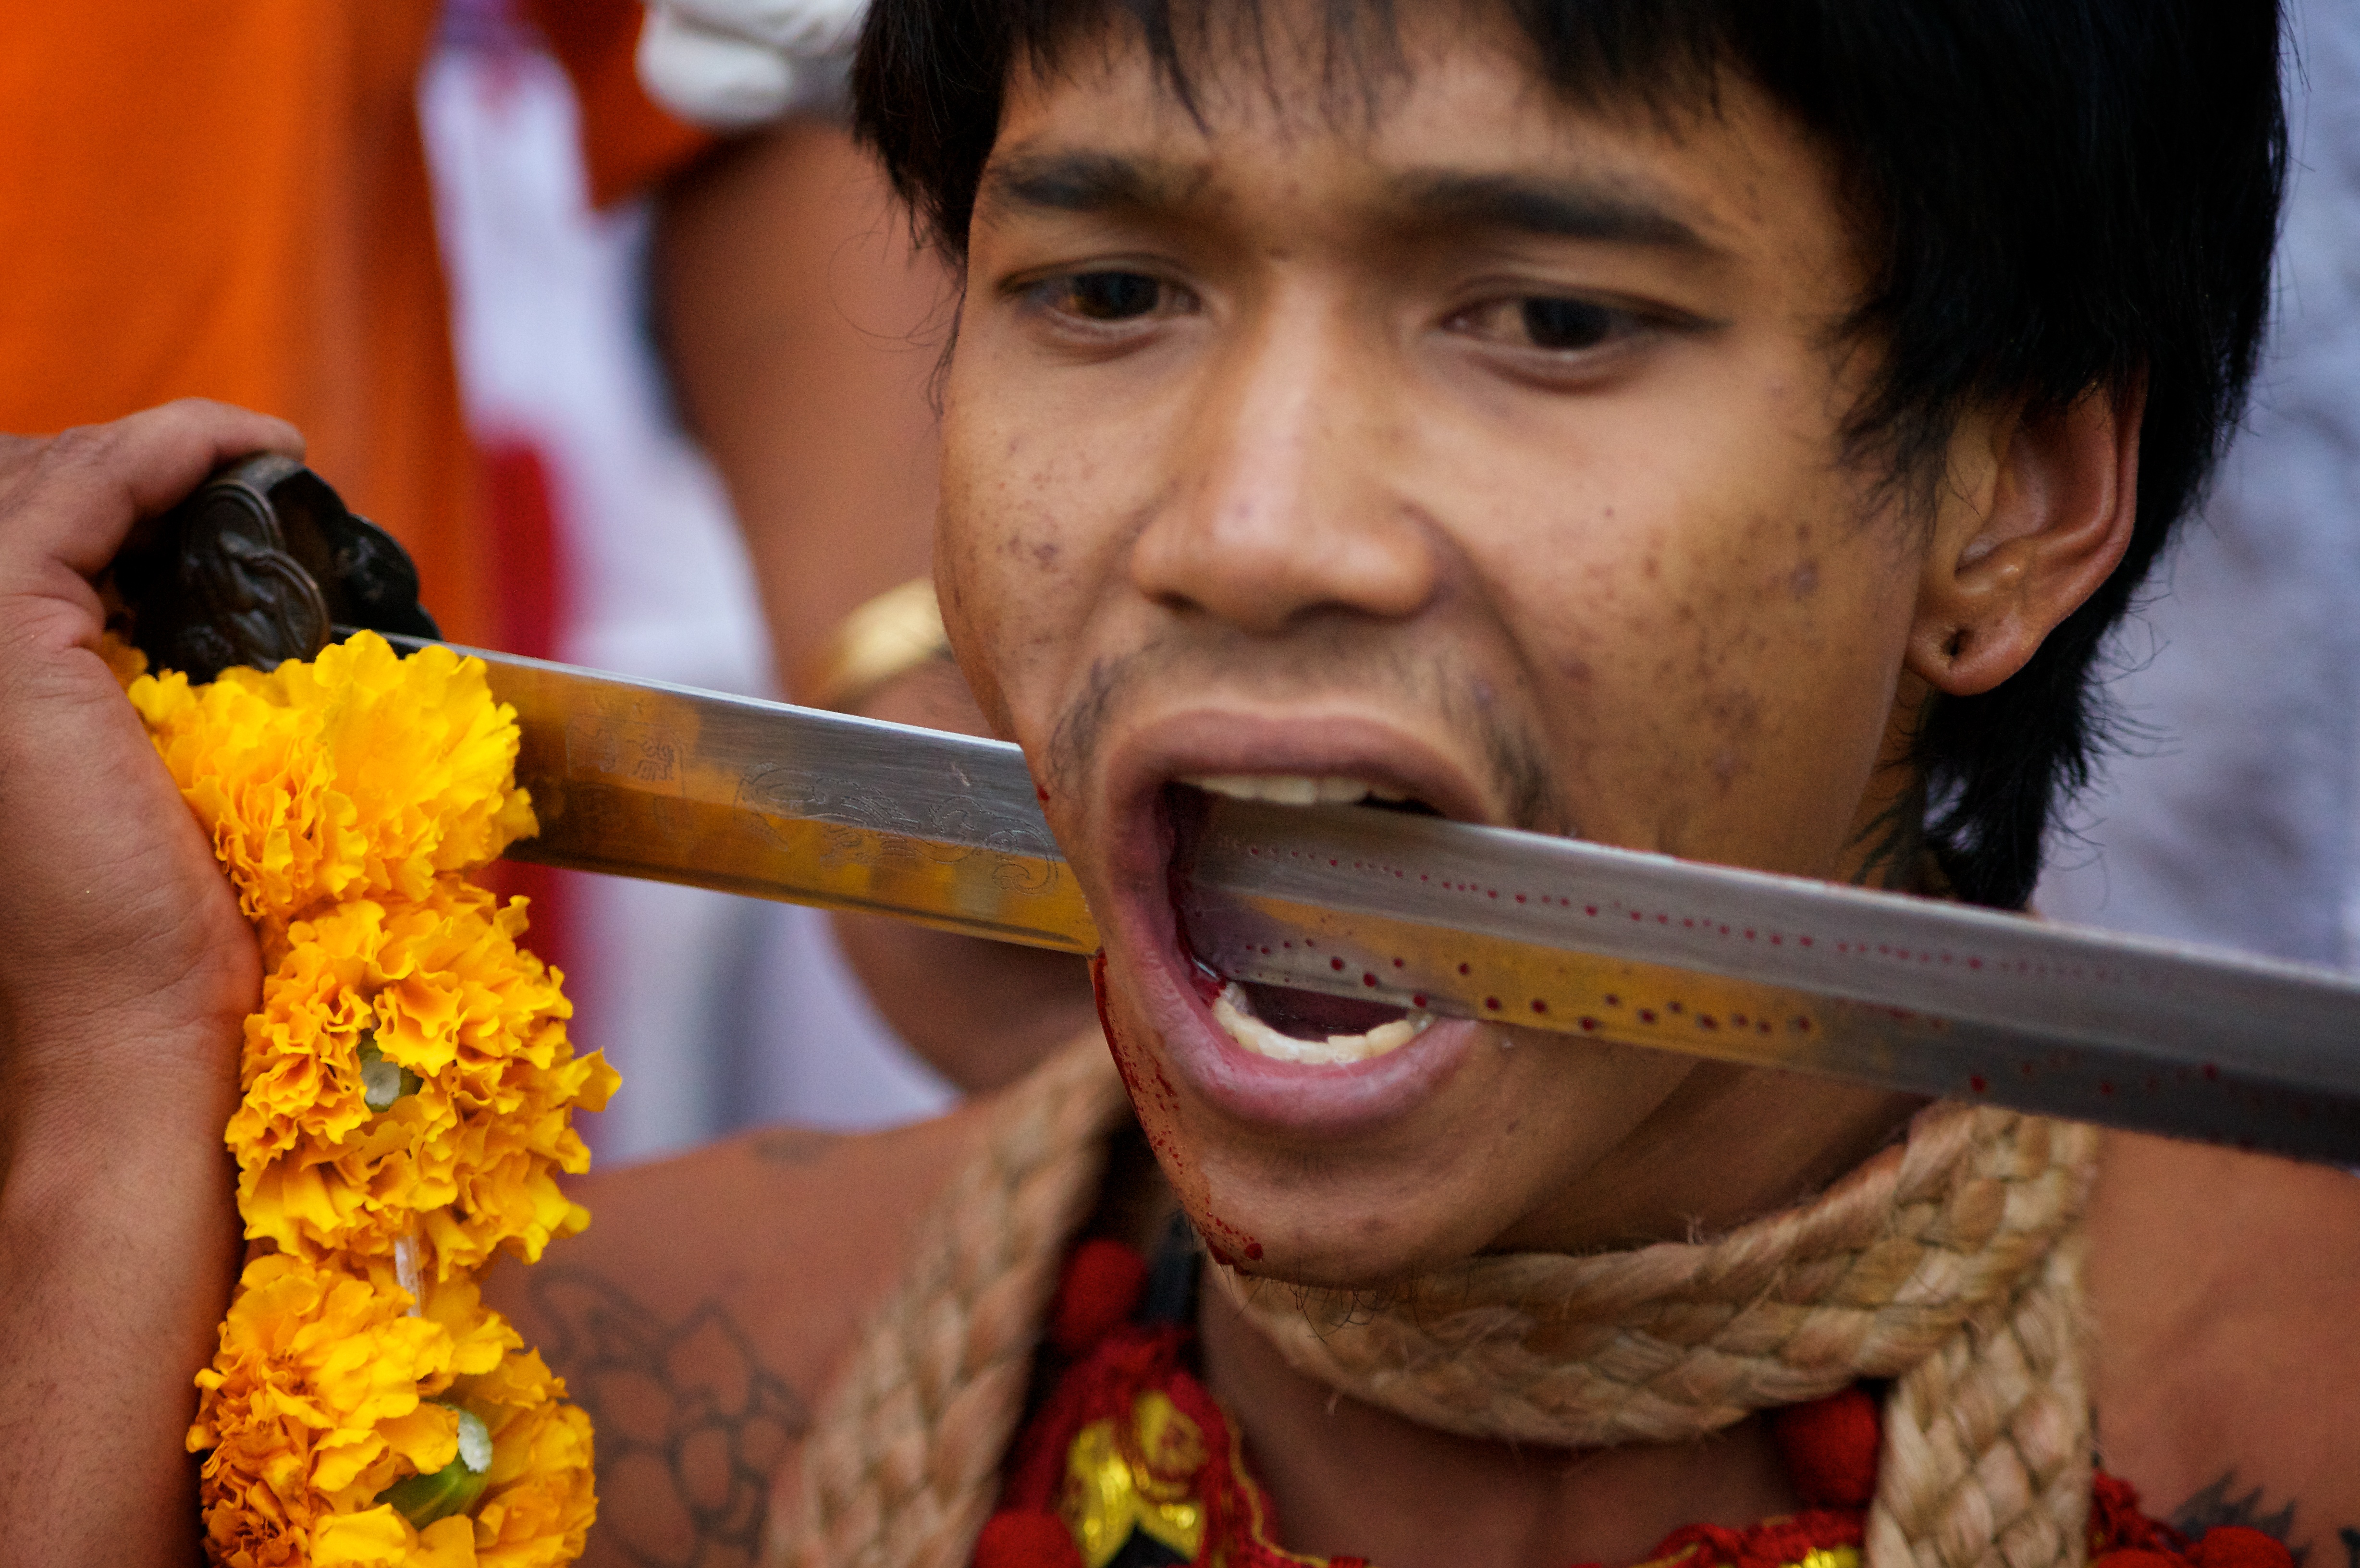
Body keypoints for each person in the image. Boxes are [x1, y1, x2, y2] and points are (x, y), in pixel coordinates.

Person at [4, 6, 2358, 1568]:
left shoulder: (2299, 1413)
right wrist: (121, 1094)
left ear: (2013, 503)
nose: (1243, 528)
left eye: (1549, 317)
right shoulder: (602, 1416)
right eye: (1107, 291)